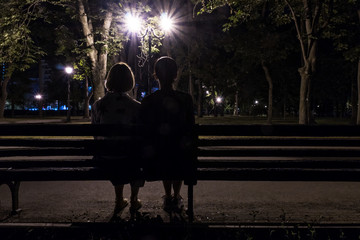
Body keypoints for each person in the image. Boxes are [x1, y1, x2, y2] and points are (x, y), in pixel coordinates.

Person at [140, 56, 196, 212]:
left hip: (155, 160)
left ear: (156, 75)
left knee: (164, 149)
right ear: (175, 75)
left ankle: (168, 195)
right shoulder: (186, 99)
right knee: (177, 149)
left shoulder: (149, 101)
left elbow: (144, 130)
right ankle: (176, 195)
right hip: (182, 157)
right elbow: (190, 128)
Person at [91, 62, 143, 217]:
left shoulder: (98, 106)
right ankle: (134, 199)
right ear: (129, 82)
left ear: (109, 81)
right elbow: (141, 137)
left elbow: (95, 134)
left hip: (106, 160)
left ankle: (119, 199)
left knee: (114, 152)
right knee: (137, 155)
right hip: (131, 160)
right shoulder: (136, 107)